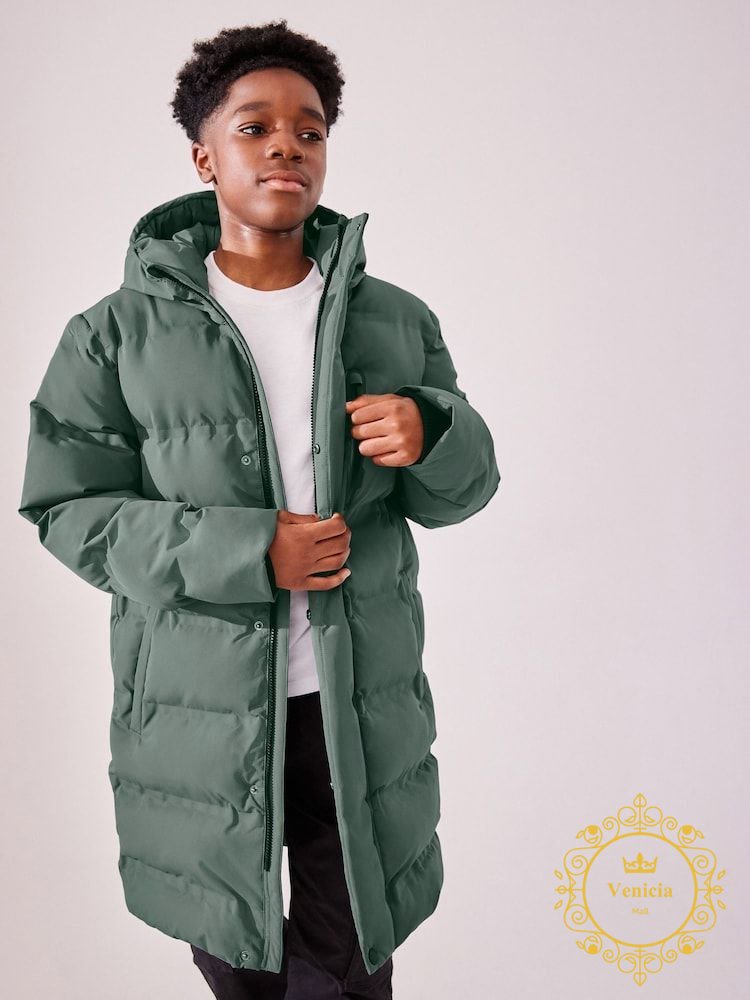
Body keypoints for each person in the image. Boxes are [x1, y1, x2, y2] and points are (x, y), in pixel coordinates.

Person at [18, 19, 500, 1000]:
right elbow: (67, 508)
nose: (288, 145)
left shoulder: (394, 319)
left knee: (349, 961)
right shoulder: (113, 335)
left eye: (310, 129)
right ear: (205, 156)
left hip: (355, 704)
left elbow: (462, 495)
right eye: (255, 127)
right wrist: (248, 552)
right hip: (194, 712)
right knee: (232, 952)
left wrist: (434, 430)